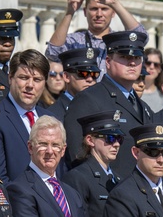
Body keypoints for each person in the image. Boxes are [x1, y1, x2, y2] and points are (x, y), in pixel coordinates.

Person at [63, 30, 154, 177]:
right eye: (124, 57)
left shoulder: (144, 108)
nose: (132, 62)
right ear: (108, 62)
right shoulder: (88, 99)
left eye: (137, 57)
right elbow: (78, 158)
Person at [44, 0, 146, 72]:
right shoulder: (74, 40)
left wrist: (116, 4)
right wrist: (70, 12)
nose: (99, 14)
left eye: (104, 9)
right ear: (85, 12)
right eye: (94, 9)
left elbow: (141, 37)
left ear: (113, 12)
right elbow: (52, 53)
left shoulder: (119, 40)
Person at [0, 49, 50, 182]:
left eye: (37, 79)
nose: (30, 85)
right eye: (24, 78)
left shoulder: (52, 119)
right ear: (10, 78)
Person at [44, 47, 99, 121]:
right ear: (66, 77)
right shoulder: (53, 115)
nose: (90, 79)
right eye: (83, 74)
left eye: (94, 74)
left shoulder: (102, 107)